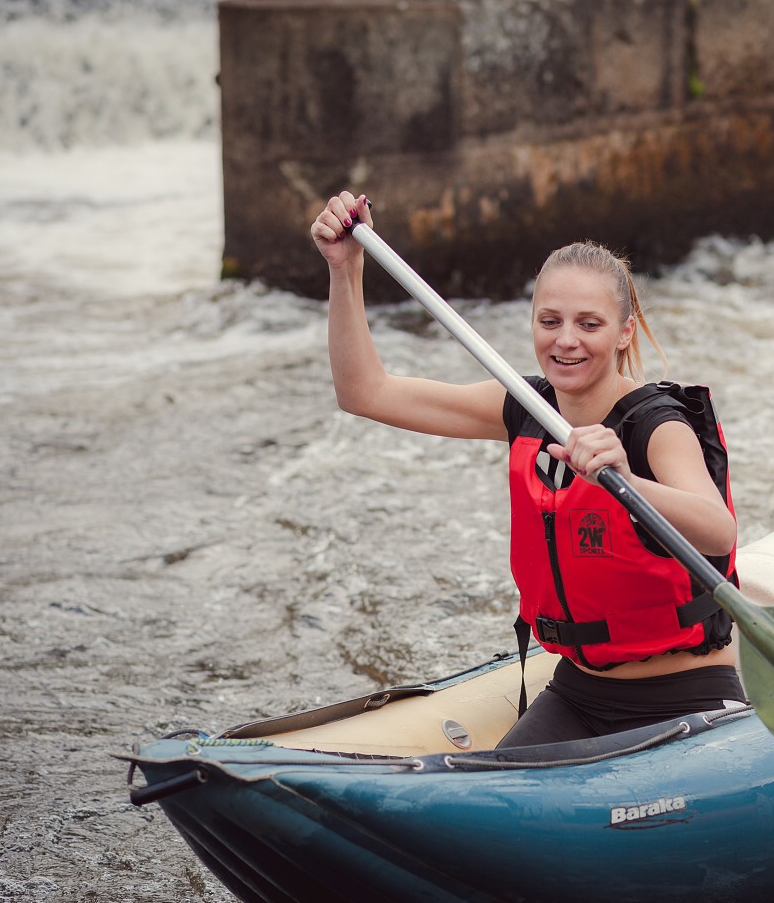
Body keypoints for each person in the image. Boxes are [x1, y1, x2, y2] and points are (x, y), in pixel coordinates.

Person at [311, 192, 746, 748]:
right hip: (581, 694)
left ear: (624, 333)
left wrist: (629, 483)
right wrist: (345, 270)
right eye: (550, 321)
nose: (566, 340)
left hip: (686, 692)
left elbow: (717, 529)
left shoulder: (656, 426)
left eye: (590, 324)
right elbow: (363, 393)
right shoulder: (522, 405)